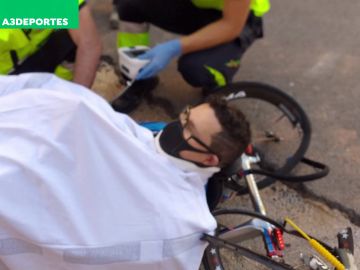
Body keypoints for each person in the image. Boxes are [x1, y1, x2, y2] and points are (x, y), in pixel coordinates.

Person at [0, 73, 250, 270]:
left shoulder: (180, 219)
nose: (179, 124)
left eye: (189, 128)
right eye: (186, 115)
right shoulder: (144, 137)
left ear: (208, 158)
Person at [112, 0, 270, 112]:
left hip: (238, 18)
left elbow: (231, 26)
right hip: (198, 6)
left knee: (197, 68)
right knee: (129, 3)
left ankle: (218, 87)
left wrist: (175, 47)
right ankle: (138, 76)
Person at [0, 0, 102, 88]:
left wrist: (76, 98)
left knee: (72, 39)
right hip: (4, 79)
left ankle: (59, 92)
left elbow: (89, 44)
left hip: (33, 66)